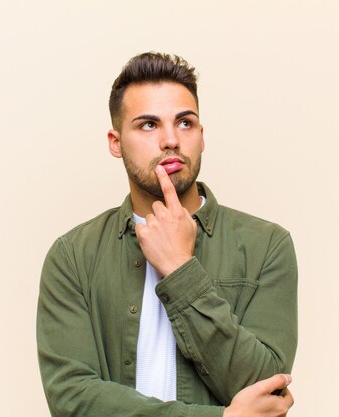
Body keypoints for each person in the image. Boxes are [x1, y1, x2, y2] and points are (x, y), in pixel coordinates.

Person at [37, 52, 298, 417]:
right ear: (116, 142)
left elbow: (266, 388)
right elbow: (72, 399)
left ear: (202, 137)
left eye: (185, 123)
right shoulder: (73, 256)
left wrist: (179, 269)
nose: (171, 140)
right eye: (148, 125)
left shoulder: (267, 246)